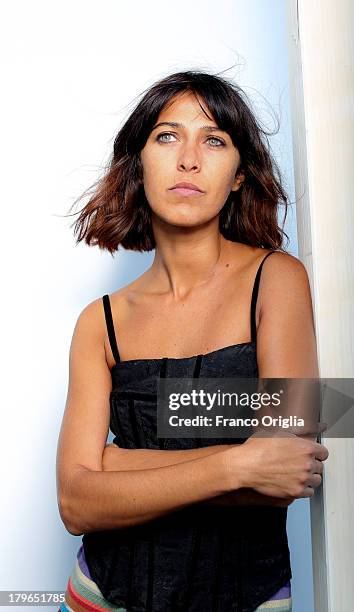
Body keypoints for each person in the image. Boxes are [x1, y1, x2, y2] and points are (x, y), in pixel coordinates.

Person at [56, 69, 329, 612]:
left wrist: (119, 463)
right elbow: (75, 502)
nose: (188, 159)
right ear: (138, 165)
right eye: (167, 136)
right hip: (99, 597)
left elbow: (286, 467)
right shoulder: (100, 322)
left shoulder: (276, 279)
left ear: (238, 176)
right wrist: (237, 462)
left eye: (213, 139)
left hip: (245, 595)